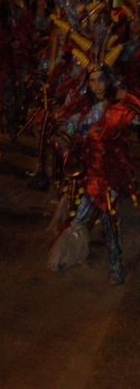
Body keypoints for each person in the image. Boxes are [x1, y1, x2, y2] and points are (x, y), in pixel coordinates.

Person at [48, 42, 136, 285]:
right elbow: (63, 133)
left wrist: (129, 98)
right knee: (78, 214)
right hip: (86, 169)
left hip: (110, 169)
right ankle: (66, 254)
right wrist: (67, 153)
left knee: (110, 219)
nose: (96, 85)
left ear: (109, 81)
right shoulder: (81, 107)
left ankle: (115, 265)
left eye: (101, 80)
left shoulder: (120, 108)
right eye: (92, 80)